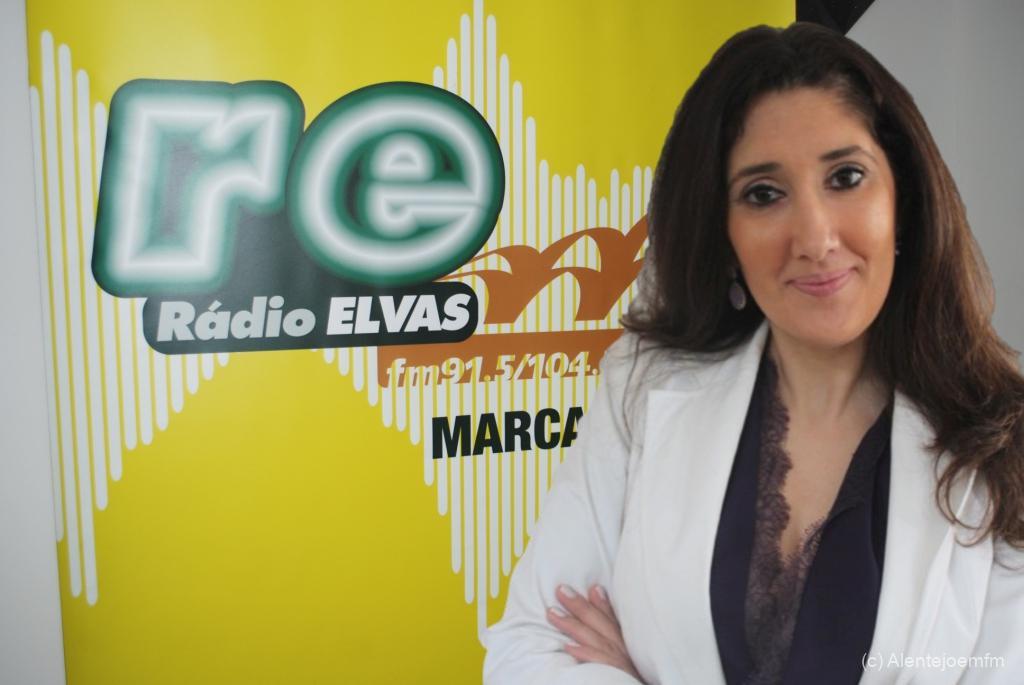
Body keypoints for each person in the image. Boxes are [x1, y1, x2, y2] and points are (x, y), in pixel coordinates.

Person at [482, 21, 1024, 685]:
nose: (815, 239)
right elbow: (529, 646)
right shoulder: (641, 383)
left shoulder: (1004, 436)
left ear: (903, 201)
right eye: (764, 194)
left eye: (846, 177)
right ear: (724, 232)